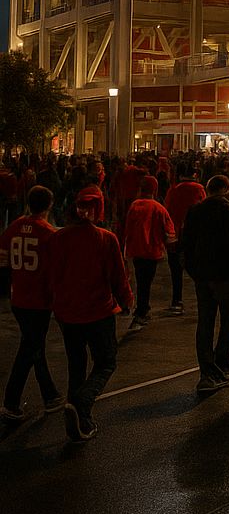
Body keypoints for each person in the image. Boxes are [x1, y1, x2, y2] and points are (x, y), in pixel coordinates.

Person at [48, 188, 133, 442]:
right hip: (98, 311)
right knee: (106, 362)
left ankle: (78, 419)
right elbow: (117, 276)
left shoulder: (59, 238)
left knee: (76, 363)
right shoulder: (105, 238)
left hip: (67, 312)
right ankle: (81, 404)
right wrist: (127, 301)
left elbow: (51, 274)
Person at [179, 174, 229, 394]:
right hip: (225, 274)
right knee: (227, 322)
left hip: (203, 275)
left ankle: (207, 369)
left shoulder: (195, 211)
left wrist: (194, 271)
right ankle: (222, 364)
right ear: (227, 188)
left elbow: (185, 244)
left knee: (205, 322)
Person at [0, 185, 63, 421]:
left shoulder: (14, 227)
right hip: (39, 301)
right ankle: (11, 402)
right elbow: (57, 270)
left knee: (34, 346)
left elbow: (3, 259)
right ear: (49, 205)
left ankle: (50, 395)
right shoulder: (48, 233)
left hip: (19, 297)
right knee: (30, 349)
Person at [122, 175, 176, 330]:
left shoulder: (134, 206)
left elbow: (127, 229)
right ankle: (141, 311)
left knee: (141, 280)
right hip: (152, 251)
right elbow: (169, 231)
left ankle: (142, 308)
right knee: (146, 281)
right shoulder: (159, 208)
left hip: (137, 249)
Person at [165, 172, 206, 314]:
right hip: (193, 234)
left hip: (175, 234)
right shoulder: (198, 189)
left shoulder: (173, 190)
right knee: (196, 268)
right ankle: (203, 299)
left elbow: (168, 210)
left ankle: (177, 300)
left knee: (176, 270)